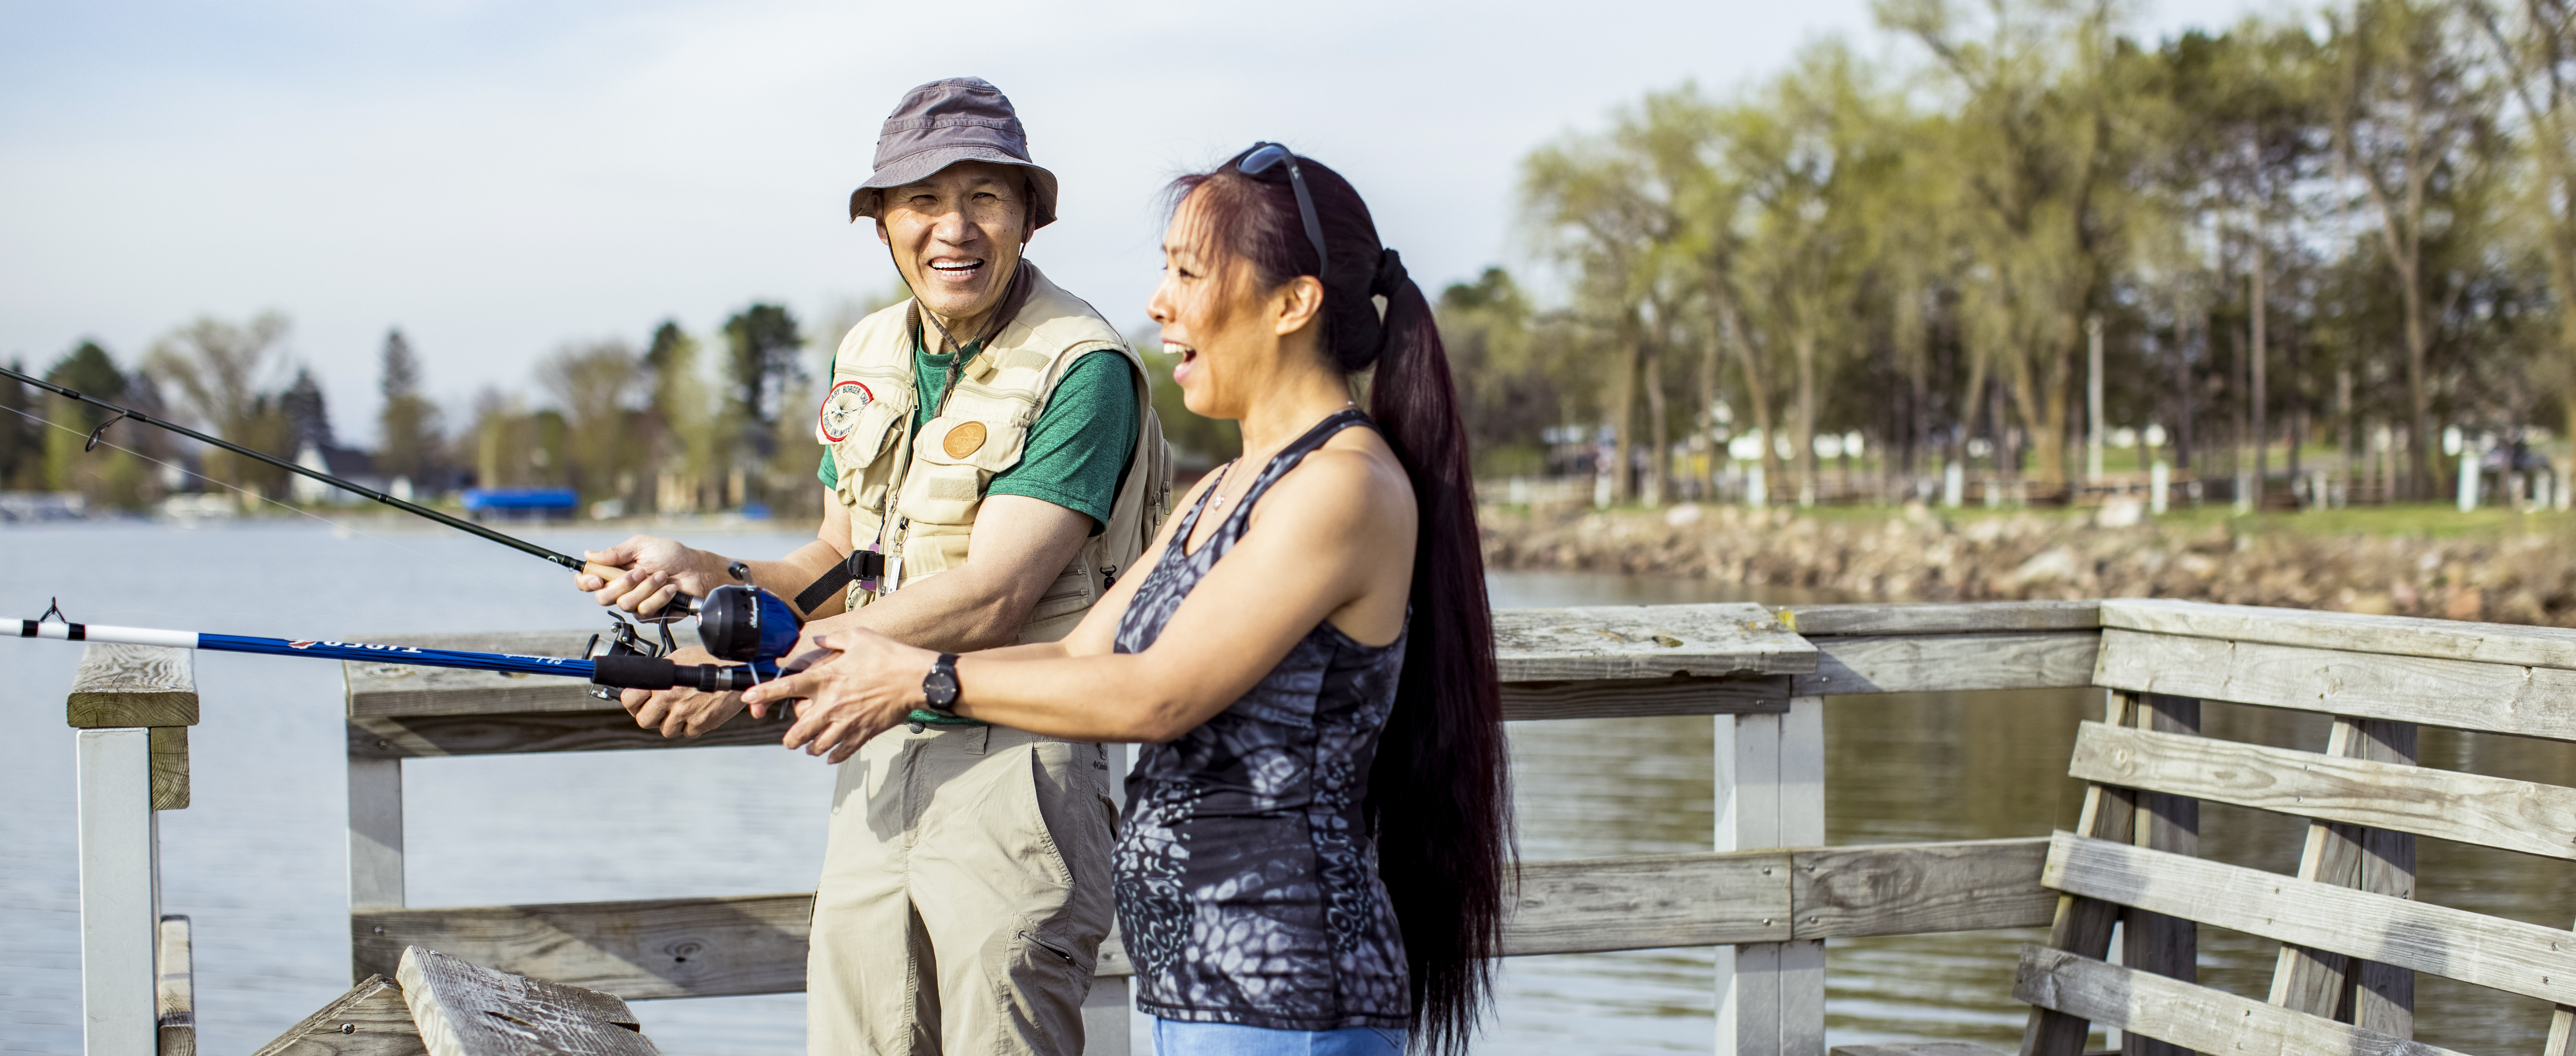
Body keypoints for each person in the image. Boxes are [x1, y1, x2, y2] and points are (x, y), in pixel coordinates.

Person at [740, 144, 1513, 1056]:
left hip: (1291, 995)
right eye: (1165, 271)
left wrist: (922, 681)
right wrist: (838, 660)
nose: (1159, 304)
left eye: (1189, 273)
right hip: (1195, 987)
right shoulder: (1223, 488)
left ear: (1293, 303)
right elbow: (1079, 655)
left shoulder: (1341, 488)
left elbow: (1157, 695)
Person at [574, 77, 1170, 1056]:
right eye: (924, 201)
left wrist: (749, 682)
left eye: (985, 196)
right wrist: (702, 571)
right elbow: (831, 561)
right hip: (873, 753)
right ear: (883, 223)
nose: (955, 229)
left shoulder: (1084, 368)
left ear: (1029, 215)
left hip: (1016, 768)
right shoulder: (871, 347)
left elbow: (993, 596)